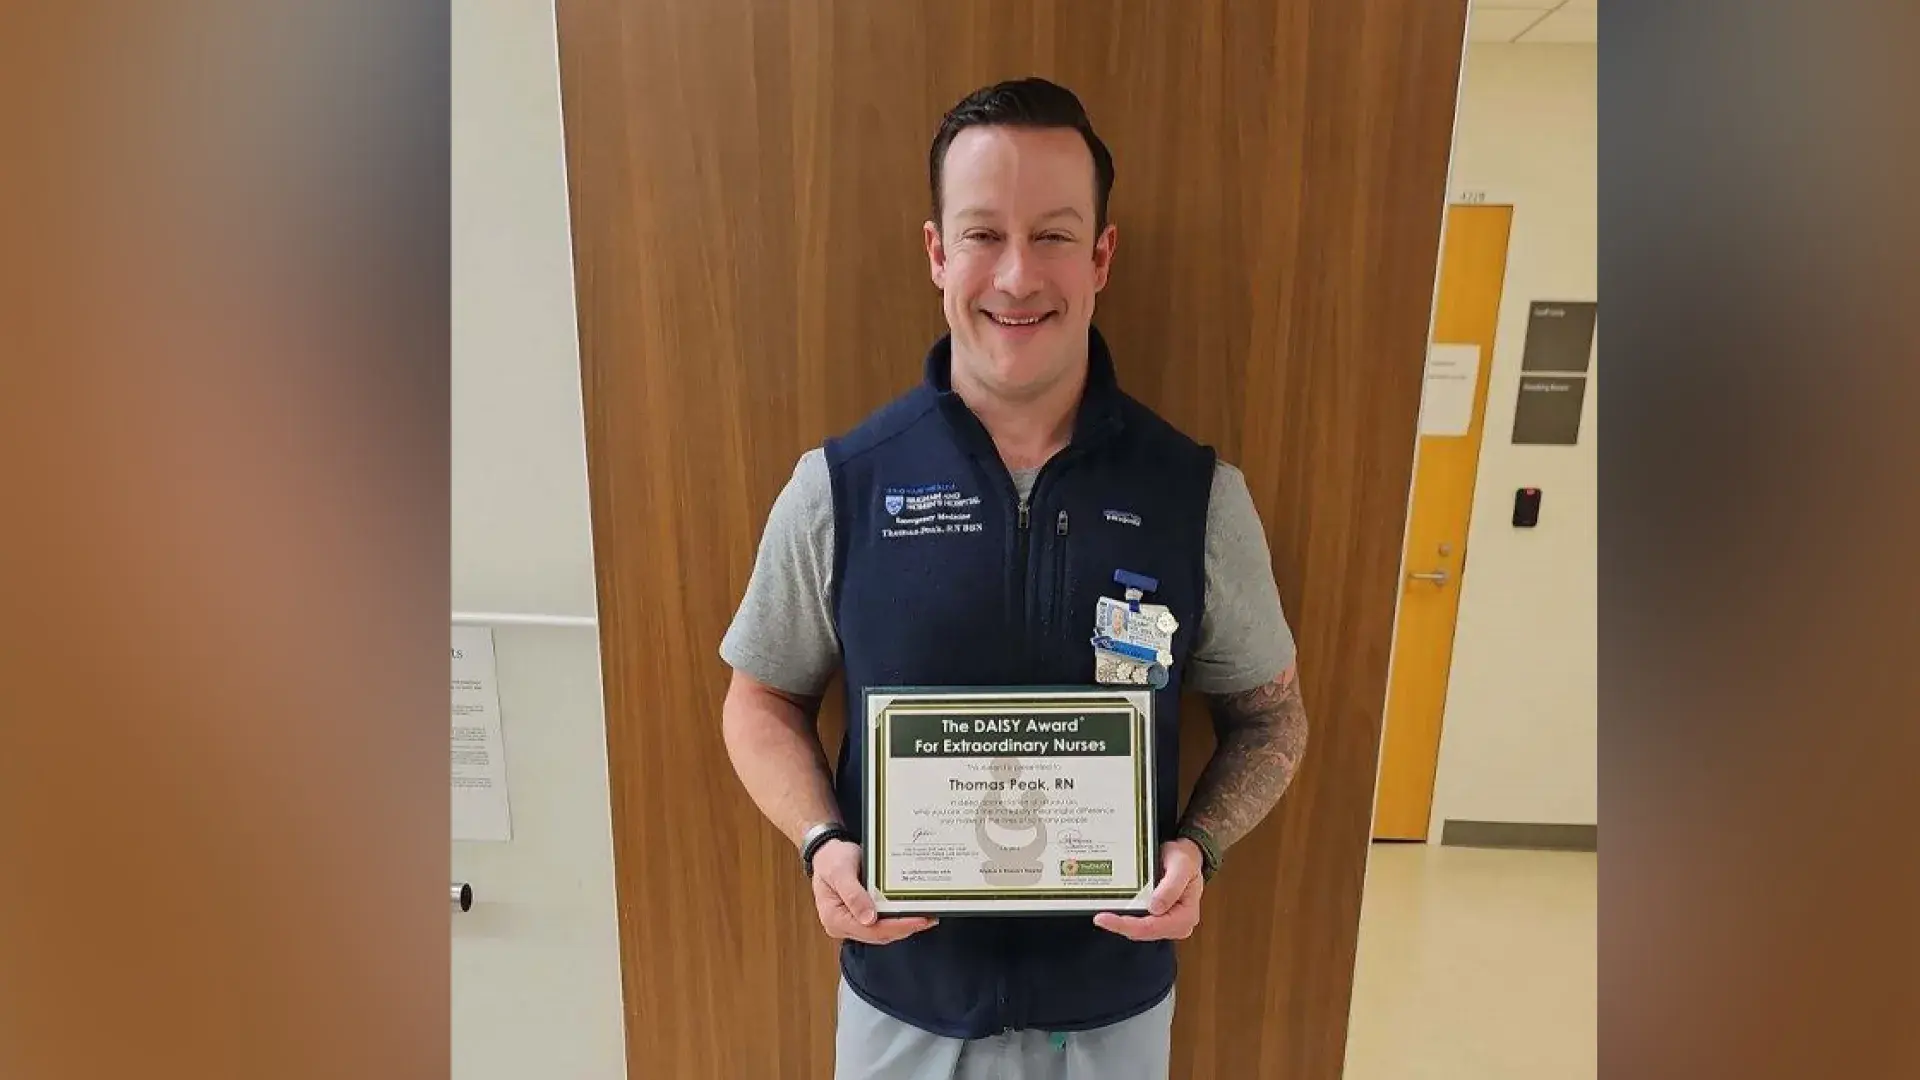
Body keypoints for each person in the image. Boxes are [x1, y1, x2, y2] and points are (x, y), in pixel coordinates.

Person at [719, 77, 1309, 1080]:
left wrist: (1197, 848)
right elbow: (759, 698)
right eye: (985, 233)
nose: (1018, 275)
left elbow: (1274, 718)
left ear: (1102, 257)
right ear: (938, 252)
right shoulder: (842, 487)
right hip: (902, 1007)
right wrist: (824, 843)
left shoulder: (1195, 495)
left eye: (1055, 235)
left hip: (1111, 1016)